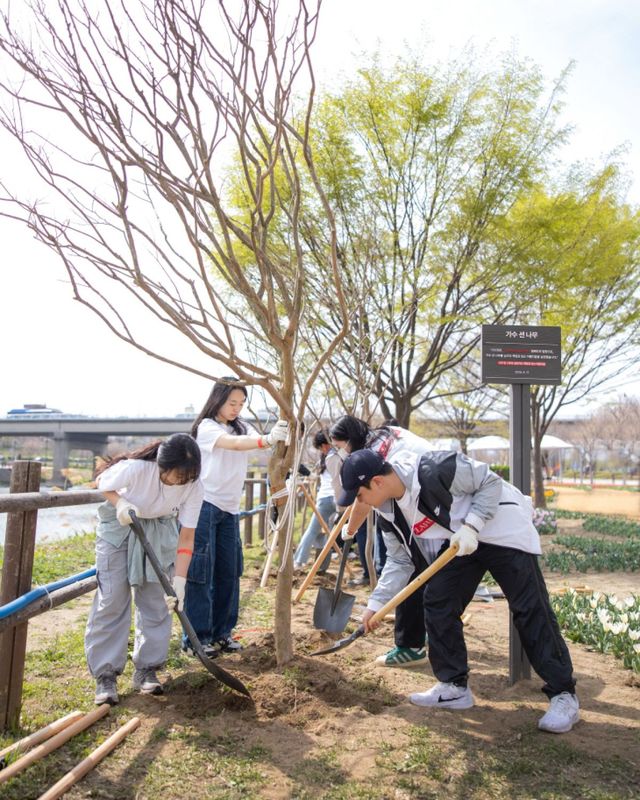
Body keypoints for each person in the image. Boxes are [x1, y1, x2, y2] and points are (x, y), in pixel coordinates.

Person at [337, 448, 580, 734]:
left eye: (360, 495)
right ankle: (453, 686)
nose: (360, 503)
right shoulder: (388, 512)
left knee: (529, 608)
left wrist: (472, 526)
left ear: (377, 482)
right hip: (461, 541)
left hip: (502, 528)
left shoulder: (434, 468)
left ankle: (564, 694)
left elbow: (490, 482)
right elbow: (400, 561)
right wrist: (376, 604)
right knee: (438, 600)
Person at [86, 433, 204, 705]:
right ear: (161, 466)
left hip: (160, 529)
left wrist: (180, 580)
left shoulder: (194, 486)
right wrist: (120, 503)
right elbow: (103, 482)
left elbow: (187, 536)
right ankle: (106, 674)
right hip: (121, 524)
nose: (181, 483)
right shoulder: (137, 469)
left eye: (187, 477)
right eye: (177, 477)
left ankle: (147, 669)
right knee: (112, 598)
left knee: (157, 600)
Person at [184, 378, 289, 658]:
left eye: (241, 404)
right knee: (201, 572)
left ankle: (222, 633)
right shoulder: (207, 427)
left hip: (230, 509)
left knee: (229, 572)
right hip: (205, 505)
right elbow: (234, 444)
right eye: (232, 403)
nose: (236, 408)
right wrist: (266, 438)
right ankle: (197, 638)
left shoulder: (241, 426)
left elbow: (257, 443)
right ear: (217, 400)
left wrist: (279, 437)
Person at [329, 415, 445, 666]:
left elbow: (365, 500)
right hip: (421, 497)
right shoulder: (383, 435)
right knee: (412, 564)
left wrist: (350, 529)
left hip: (426, 498)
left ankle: (411, 645)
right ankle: (421, 634)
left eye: (340, 447)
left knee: (413, 567)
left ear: (350, 440)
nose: (340, 453)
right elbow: (366, 496)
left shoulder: (374, 455)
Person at [293, 430, 341, 573]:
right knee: (327, 533)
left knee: (313, 530)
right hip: (337, 499)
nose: (322, 450)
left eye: (321, 447)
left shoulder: (327, 458)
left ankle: (298, 561)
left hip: (326, 499)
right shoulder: (337, 456)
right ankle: (322, 566)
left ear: (325, 445)